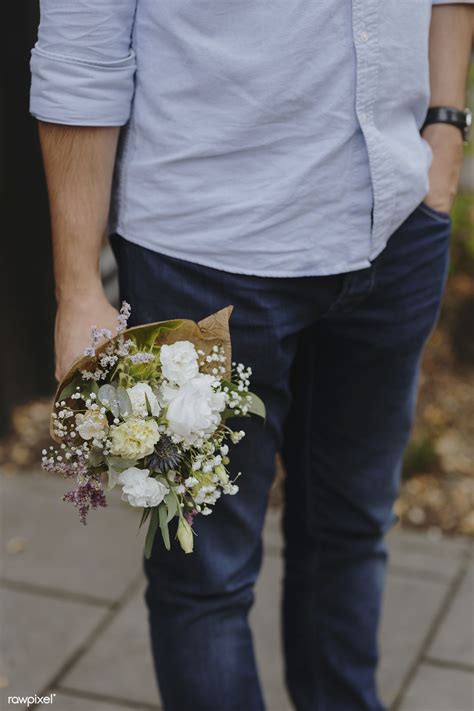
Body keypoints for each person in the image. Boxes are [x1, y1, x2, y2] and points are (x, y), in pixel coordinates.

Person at [30, 2, 472, 709]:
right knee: (201, 576)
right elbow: (85, 40)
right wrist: (79, 286)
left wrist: (446, 128)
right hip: (201, 254)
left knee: (352, 532)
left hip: (393, 227)